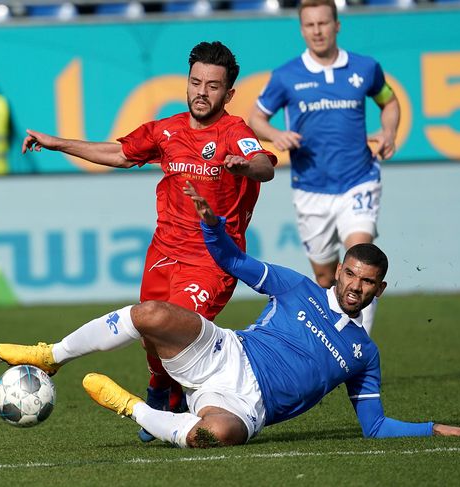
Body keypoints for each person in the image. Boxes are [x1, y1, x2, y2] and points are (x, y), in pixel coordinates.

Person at [0, 182, 460, 448]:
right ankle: (52, 354)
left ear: (379, 288)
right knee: (149, 312)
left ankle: (132, 408)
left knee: (215, 436)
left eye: (367, 283)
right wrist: (212, 225)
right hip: (224, 353)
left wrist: (434, 429)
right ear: (339, 271)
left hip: (249, 407)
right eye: (351, 275)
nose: (356, 287)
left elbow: (375, 427)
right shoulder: (299, 286)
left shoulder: (365, 353)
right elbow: (234, 262)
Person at [18, 41, 277, 439]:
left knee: (175, 331)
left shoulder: (234, 131)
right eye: (195, 82)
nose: (201, 92)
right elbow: (121, 153)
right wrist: (58, 143)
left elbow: (263, 164)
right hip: (163, 252)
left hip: (210, 261)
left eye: (212, 86)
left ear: (228, 94)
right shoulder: (166, 129)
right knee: (149, 333)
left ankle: (180, 401)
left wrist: (246, 165)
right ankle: (161, 393)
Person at [248, 0, 400, 335]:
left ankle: (358, 349)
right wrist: (277, 135)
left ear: (337, 25)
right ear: (302, 29)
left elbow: (388, 101)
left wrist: (389, 132)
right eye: (310, 25)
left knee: (360, 261)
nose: (317, 31)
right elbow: (256, 119)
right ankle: (334, 339)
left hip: (359, 180)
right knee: (326, 277)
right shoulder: (286, 76)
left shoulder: (365, 68)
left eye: (323, 23)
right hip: (310, 189)